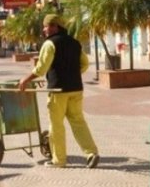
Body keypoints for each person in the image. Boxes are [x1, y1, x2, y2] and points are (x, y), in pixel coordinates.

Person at [19, 14, 99, 168]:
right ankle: (91, 153)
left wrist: (25, 79)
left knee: (56, 125)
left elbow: (41, 68)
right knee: (78, 122)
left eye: (47, 26)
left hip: (58, 91)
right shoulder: (75, 43)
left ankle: (59, 160)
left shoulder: (49, 44)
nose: (44, 30)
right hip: (76, 89)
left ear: (56, 26)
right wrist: (71, 74)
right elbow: (85, 64)